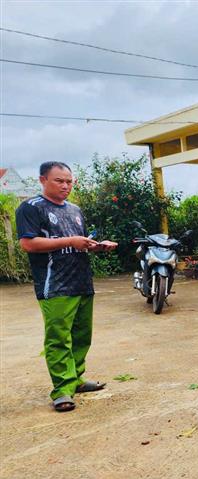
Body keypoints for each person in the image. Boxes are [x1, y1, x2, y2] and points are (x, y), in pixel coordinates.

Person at [16, 161, 118, 412]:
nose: (65, 186)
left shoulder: (74, 209)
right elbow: (28, 244)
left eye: (69, 181)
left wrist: (95, 246)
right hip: (55, 284)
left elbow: (77, 243)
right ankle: (62, 389)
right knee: (58, 338)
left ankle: (76, 378)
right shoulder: (30, 208)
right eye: (59, 181)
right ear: (43, 180)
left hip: (81, 280)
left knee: (81, 335)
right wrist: (71, 240)